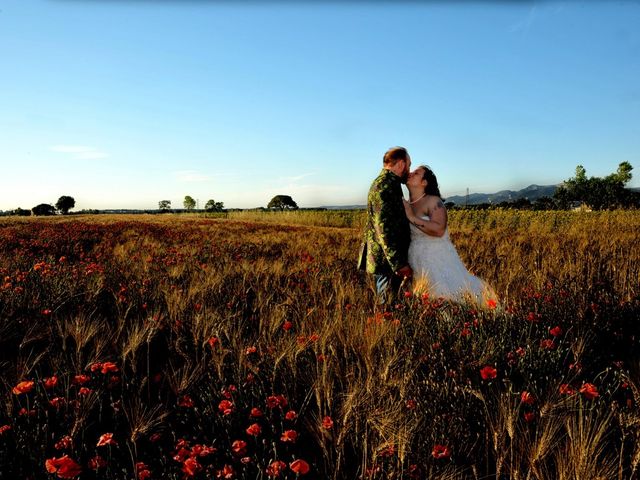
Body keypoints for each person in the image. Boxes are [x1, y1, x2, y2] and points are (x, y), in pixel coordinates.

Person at [403, 165, 494, 303]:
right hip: (416, 257)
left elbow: (439, 230)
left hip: (437, 257)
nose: (410, 173)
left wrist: (411, 217)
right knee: (423, 296)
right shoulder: (407, 203)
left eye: (416, 173)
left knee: (445, 293)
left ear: (424, 182)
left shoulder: (433, 201)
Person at [358, 147, 413, 304]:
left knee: (392, 303)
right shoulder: (385, 186)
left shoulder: (390, 183)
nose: (409, 170)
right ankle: (386, 328)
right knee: (388, 305)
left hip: (387, 260)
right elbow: (384, 229)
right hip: (386, 262)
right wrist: (399, 264)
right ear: (401, 164)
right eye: (409, 165)